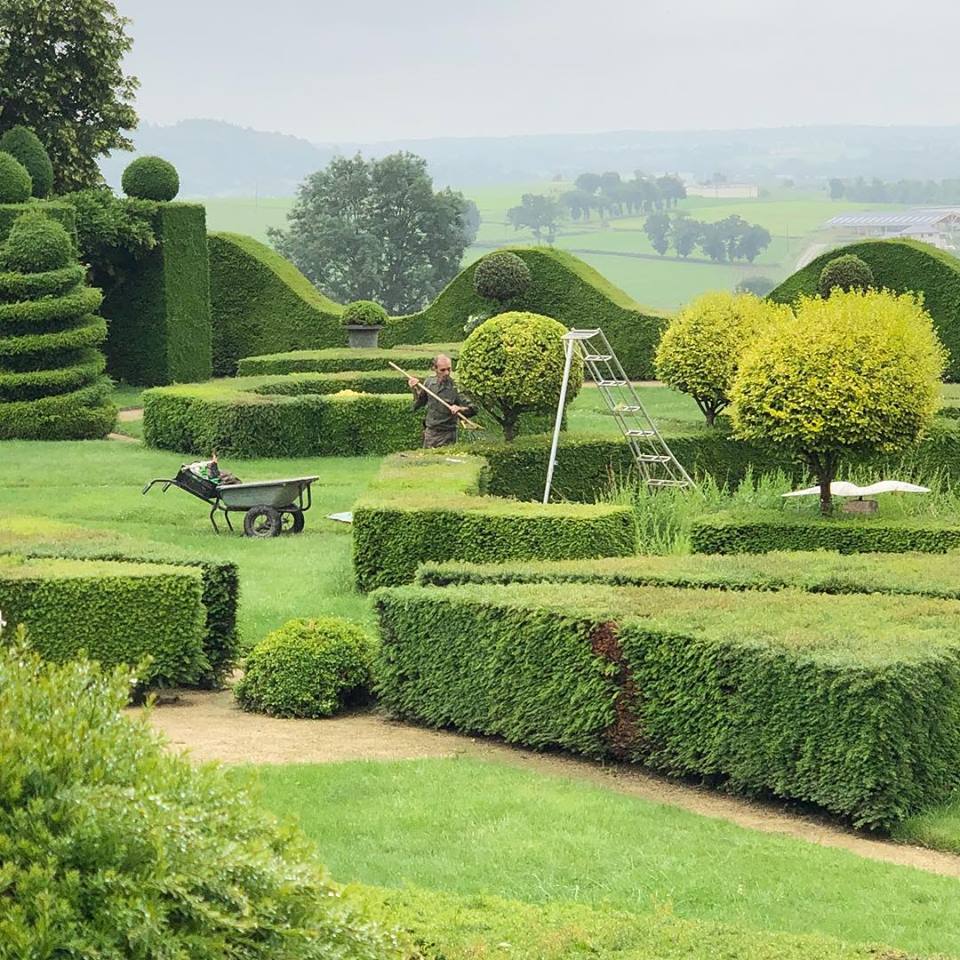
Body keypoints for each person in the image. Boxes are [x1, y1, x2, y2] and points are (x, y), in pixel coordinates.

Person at [408, 354, 476, 448]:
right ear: (434, 369)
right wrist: (414, 389)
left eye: (449, 369)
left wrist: (459, 408)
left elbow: (473, 409)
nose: (447, 373)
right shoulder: (429, 383)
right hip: (430, 434)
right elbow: (417, 404)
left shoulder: (455, 387)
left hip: (448, 435)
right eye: (442, 370)